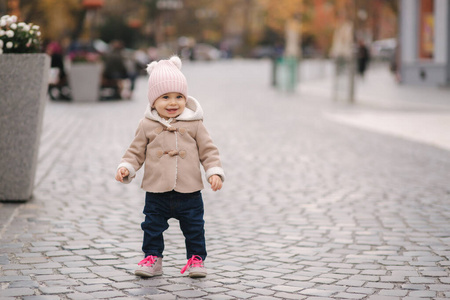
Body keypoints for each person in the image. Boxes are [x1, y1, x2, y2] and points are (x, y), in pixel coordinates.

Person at [115, 56, 225, 278]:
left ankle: (196, 260)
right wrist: (127, 167)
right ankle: (153, 258)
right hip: (157, 190)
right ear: (153, 101)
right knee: (152, 227)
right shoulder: (147, 124)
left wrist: (213, 172)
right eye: (165, 97)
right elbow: (136, 151)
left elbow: (208, 151)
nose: (173, 103)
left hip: (190, 190)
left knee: (194, 228)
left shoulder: (194, 123)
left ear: (185, 98)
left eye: (178, 97)